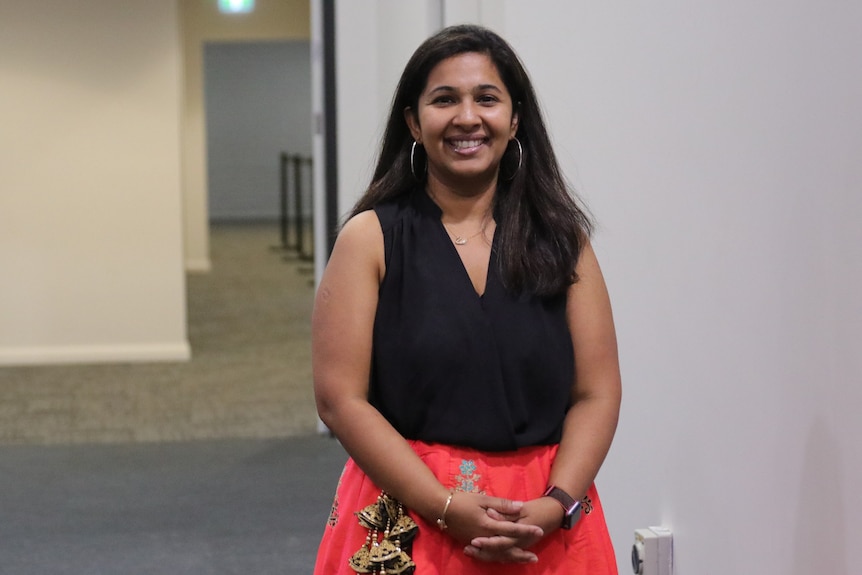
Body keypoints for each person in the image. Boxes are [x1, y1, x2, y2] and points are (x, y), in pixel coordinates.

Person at [312, 24, 621, 575]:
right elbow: (340, 400)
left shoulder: (562, 239)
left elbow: (597, 393)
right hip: (411, 514)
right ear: (413, 121)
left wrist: (556, 504)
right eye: (444, 100)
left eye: (487, 98)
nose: (467, 117)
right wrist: (445, 506)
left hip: (543, 523)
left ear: (515, 117)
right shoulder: (370, 239)